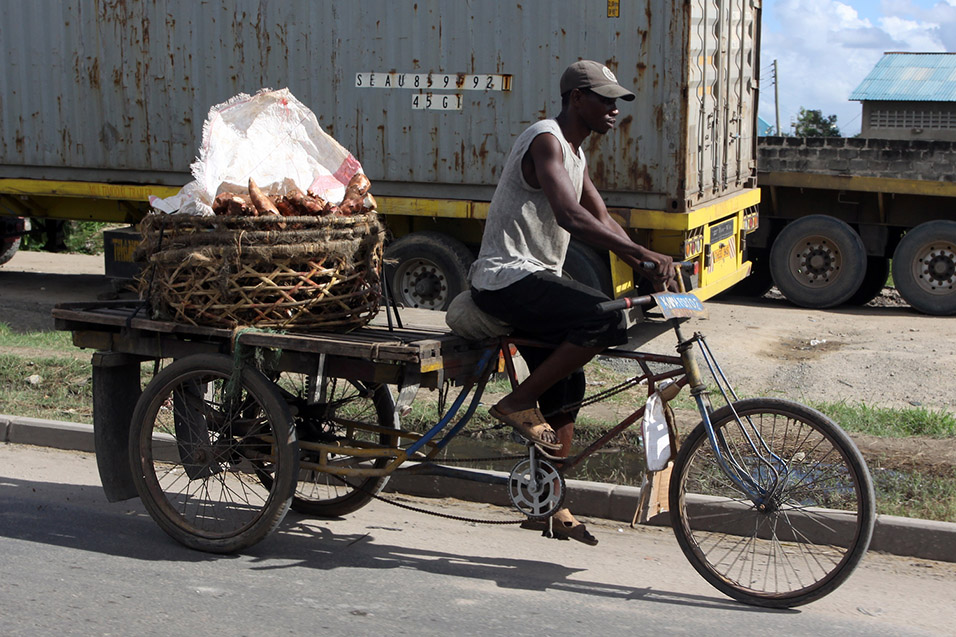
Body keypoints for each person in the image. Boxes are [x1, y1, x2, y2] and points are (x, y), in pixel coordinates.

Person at [467, 60, 676, 545]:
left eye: (617, 101)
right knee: (603, 320)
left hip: (535, 279)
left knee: (568, 384)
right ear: (576, 97)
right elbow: (569, 216)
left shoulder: (576, 155)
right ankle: (517, 403)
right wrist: (640, 254)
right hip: (504, 278)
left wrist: (650, 265)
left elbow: (602, 217)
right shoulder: (546, 139)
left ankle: (552, 504)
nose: (613, 109)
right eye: (605, 99)